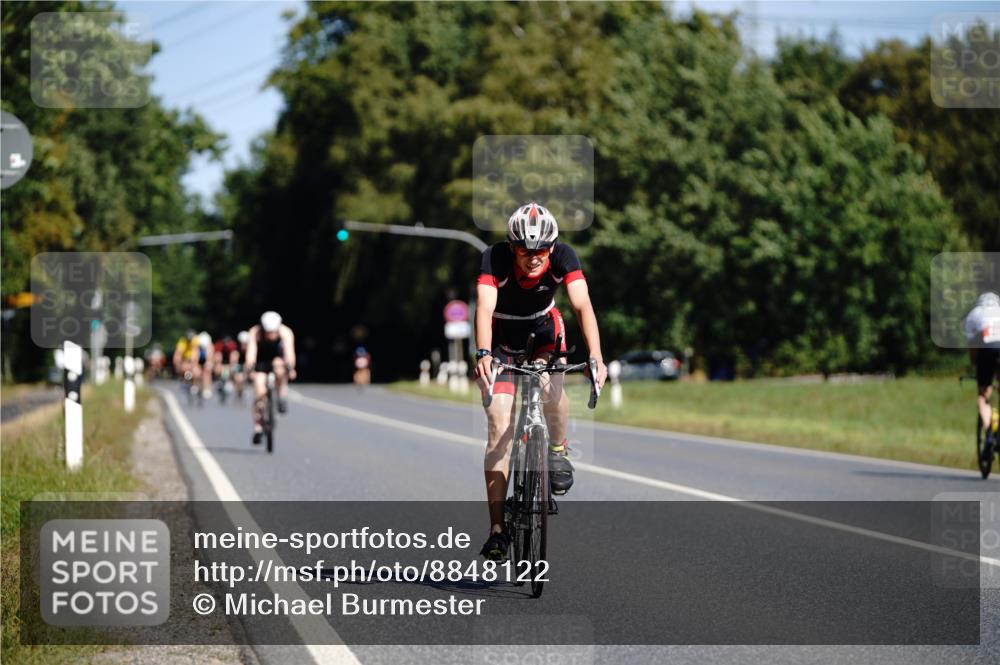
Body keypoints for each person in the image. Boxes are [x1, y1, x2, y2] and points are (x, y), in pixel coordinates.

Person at [473, 202, 608, 561]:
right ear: (511, 246)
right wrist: (484, 353)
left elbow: (582, 305)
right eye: (524, 250)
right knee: (498, 425)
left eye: (542, 250)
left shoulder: (564, 255)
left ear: (553, 247)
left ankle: (558, 451)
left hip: (543, 331)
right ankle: (498, 530)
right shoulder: (493, 258)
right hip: (501, 338)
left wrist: (596, 356)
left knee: (551, 388)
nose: (533, 257)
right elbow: (484, 308)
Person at [244, 311, 297, 444]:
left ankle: (281, 394)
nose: (271, 335)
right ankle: (258, 427)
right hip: (261, 360)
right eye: (268, 332)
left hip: (277, 358)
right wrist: (250, 369)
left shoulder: (286, 332)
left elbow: (289, 353)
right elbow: (251, 353)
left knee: (279, 368)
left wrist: (290, 368)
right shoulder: (254, 332)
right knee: (259, 390)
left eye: (273, 332)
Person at [965, 291, 1000, 461]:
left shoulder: (974, 314)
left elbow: (973, 351)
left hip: (988, 349)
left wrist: (978, 368)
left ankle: (989, 435)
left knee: (983, 396)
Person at [233, 330, 250, 401]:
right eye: (242, 343)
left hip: (246, 364)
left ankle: (243, 388)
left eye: (245, 343)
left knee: (243, 378)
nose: (244, 345)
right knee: (238, 378)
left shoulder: (250, 348)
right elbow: (234, 360)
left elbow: (249, 360)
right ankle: (237, 390)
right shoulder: (237, 349)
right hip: (238, 364)